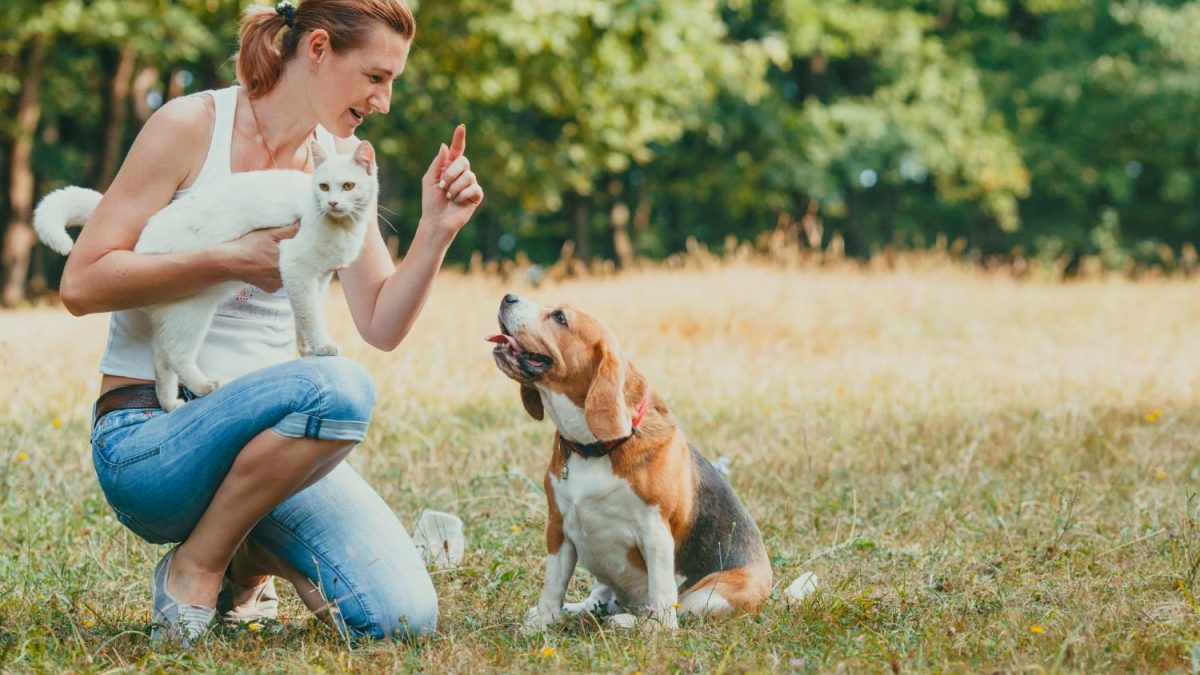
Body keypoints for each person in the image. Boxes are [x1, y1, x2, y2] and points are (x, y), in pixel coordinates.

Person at [58, 0, 482, 644]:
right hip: (152, 436)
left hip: (272, 450)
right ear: (316, 49)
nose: (385, 100)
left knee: (400, 616)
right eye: (375, 76)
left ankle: (244, 559)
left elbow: (381, 323)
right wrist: (229, 260)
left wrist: (435, 231)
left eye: (391, 81)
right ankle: (194, 568)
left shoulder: (338, 166)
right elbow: (81, 284)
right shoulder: (191, 126)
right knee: (340, 385)